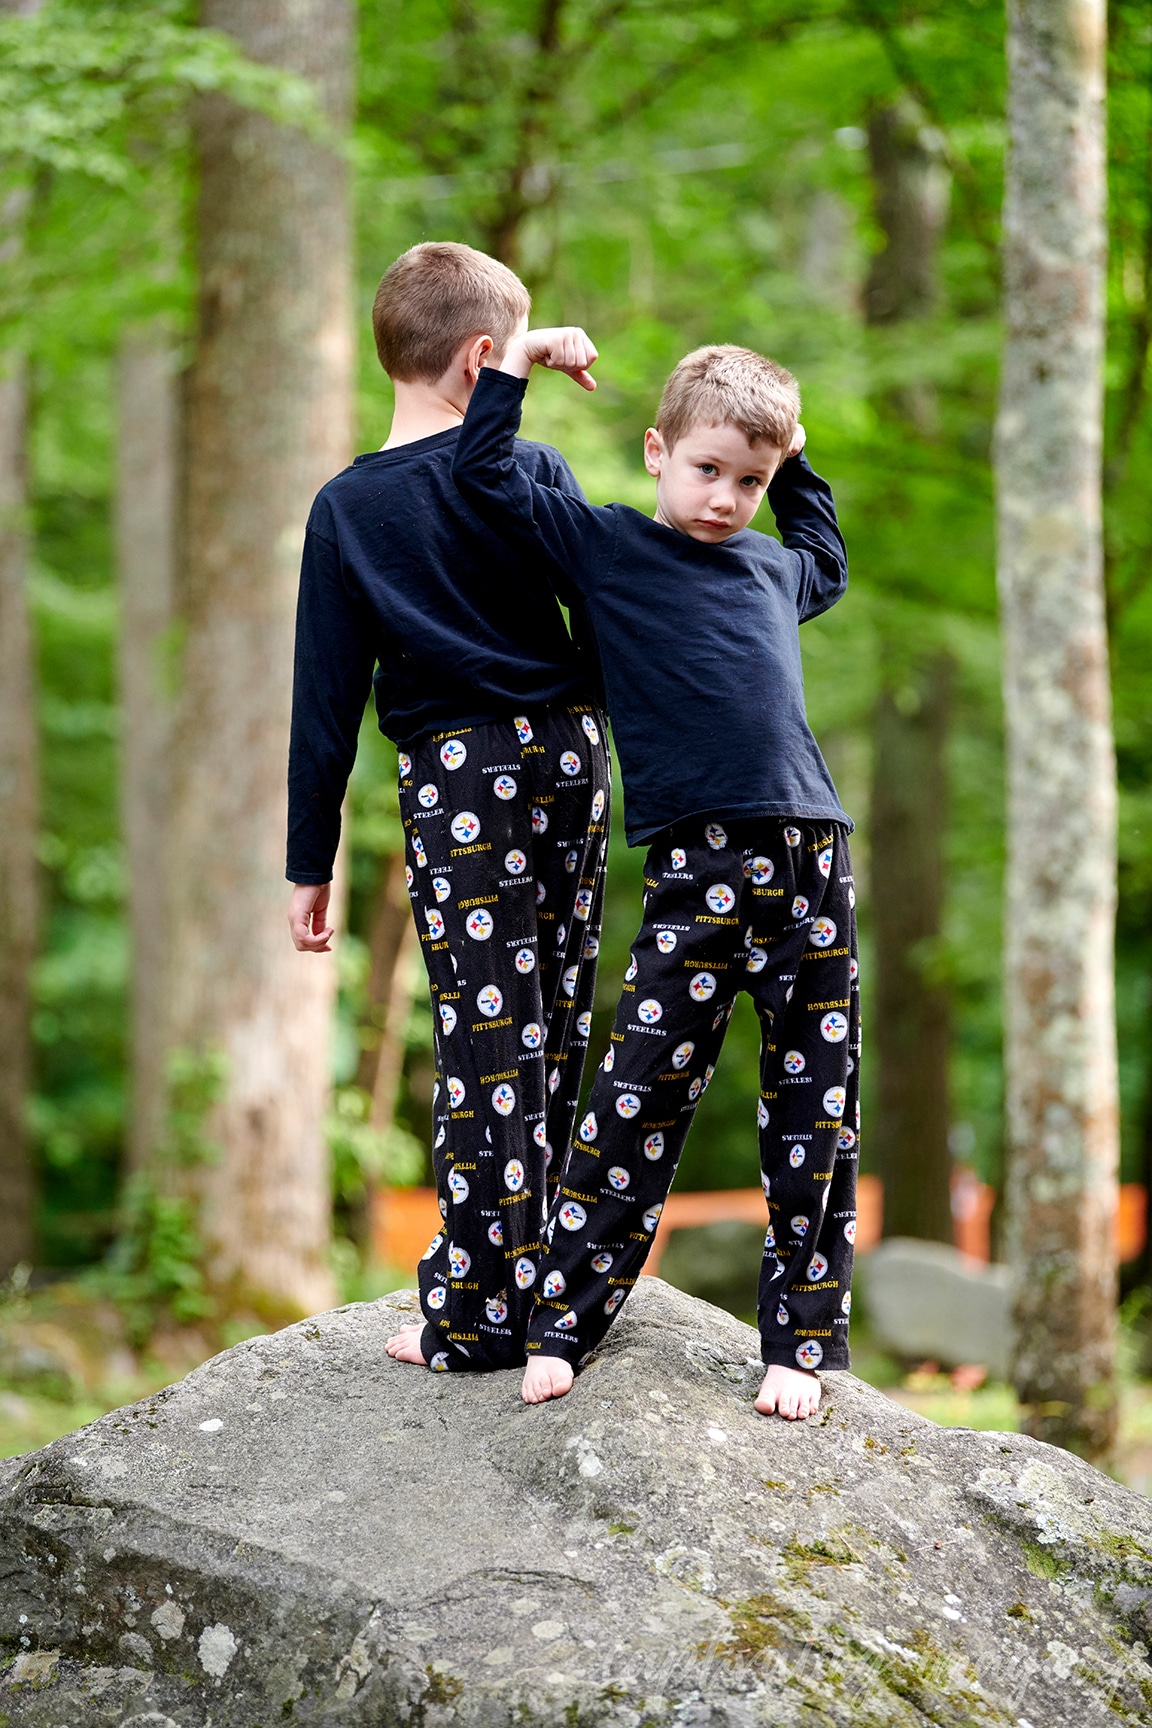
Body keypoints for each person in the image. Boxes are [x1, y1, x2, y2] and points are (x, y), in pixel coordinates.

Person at [452, 332, 858, 1420]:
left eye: (750, 481)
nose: (726, 498)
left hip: (814, 853)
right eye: (707, 470)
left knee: (816, 1105)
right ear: (657, 450)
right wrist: (516, 367)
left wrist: (802, 460)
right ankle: (563, 1325)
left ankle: (800, 1347)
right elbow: (484, 476)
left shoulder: (774, 567)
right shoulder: (613, 551)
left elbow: (826, 554)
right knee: (639, 1093)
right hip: (699, 859)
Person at [286, 248, 609, 1374]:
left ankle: (474, 1311)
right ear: (490, 359)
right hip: (572, 755)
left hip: (460, 778)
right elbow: (609, 619)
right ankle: (556, 1291)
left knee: (485, 1037)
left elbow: (324, 700)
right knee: (557, 1022)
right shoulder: (535, 471)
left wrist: (307, 859)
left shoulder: (349, 508)